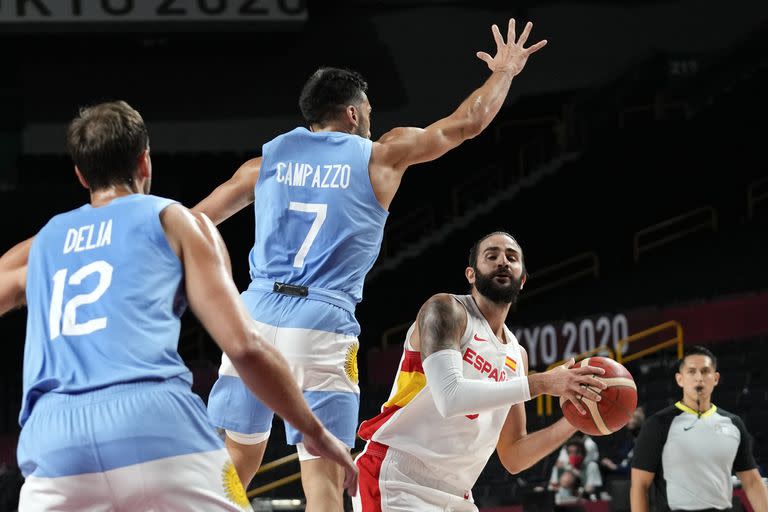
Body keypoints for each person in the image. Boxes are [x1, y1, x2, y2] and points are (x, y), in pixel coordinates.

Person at [194, 17, 548, 509]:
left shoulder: (265, 164)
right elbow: (466, 124)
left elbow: (192, 222)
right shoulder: (378, 156)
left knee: (238, 455)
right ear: (354, 114)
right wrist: (505, 72)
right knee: (321, 470)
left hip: (250, 316)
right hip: (319, 319)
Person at [0, 101, 356, 511]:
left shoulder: (47, 241)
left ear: (80, 174)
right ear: (144, 161)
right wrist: (313, 429)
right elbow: (244, 348)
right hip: (150, 420)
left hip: (54, 441)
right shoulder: (175, 221)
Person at [352, 231, 608, 511]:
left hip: (458, 494)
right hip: (398, 478)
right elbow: (450, 397)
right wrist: (543, 383)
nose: (503, 262)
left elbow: (514, 455)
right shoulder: (446, 310)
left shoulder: (516, 355)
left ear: (522, 280)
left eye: (512, 257)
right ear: (471, 274)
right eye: (492, 256)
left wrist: (577, 419)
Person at [631, 346, 768, 512]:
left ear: (716, 378)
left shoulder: (733, 423)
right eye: (691, 371)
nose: (699, 378)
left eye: (705, 371)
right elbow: (639, 486)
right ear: (680, 379)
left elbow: (752, 482)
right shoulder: (657, 424)